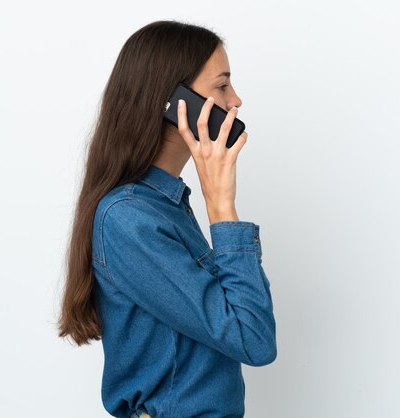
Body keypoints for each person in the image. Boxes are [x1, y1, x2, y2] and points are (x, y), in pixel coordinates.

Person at [57, 20, 278, 418]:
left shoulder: (165, 206)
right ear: (175, 102)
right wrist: (222, 207)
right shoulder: (128, 219)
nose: (236, 100)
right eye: (222, 86)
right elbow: (253, 339)